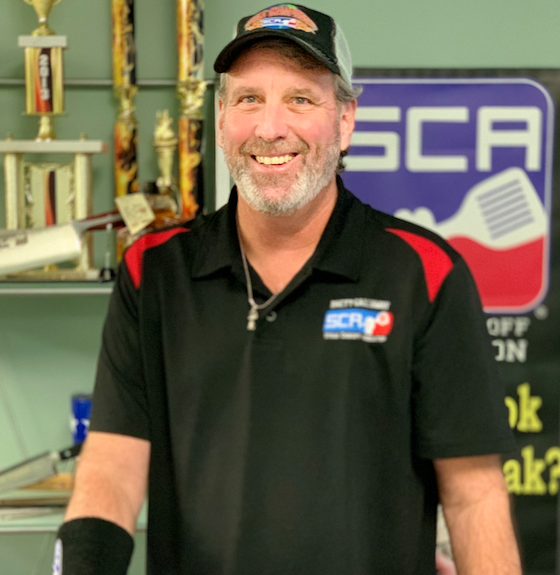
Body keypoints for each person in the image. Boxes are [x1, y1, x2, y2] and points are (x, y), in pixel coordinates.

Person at [54, 4, 522, 574]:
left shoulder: (424, 272)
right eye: (249, 98)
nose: (270, 127)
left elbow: (474, 495)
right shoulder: (152, 272)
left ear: (345, 120)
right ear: (221, 117)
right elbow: (111, 467)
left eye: (300, 99)